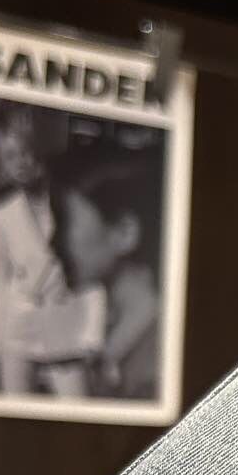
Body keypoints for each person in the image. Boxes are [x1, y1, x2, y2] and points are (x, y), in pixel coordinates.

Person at [0, 118, 103, 398]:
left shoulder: (73, 204)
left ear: (41, 152)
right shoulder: (1, 216)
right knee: (15, 414)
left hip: (68, 330)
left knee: (77, 411)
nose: (21, 162)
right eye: (10, 156)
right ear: (2, 166)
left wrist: (93, 335)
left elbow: (95, 274)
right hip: (19, 331)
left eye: (27, 151)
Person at [53, 161, 159, 399]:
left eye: (67, 223)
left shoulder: (157, 357)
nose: (53, 241)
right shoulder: (117, 329)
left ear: (124, 233)